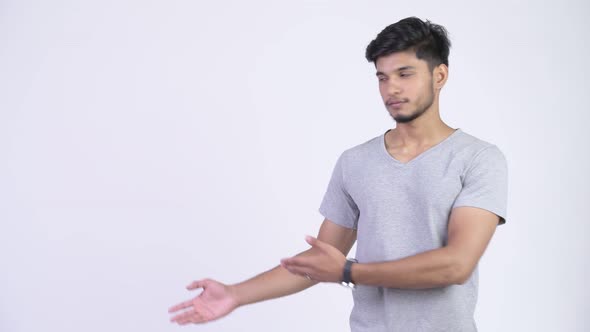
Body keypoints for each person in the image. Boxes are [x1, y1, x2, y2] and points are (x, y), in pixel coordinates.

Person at [168, 16, 508, 331]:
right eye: (382, 77)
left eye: (405, 74)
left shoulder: (477, 158)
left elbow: (456, 265)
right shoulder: (355, 162)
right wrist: (236, 294)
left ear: (439, 76)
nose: (391, 88)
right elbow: (322, 260)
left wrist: (349, 271)